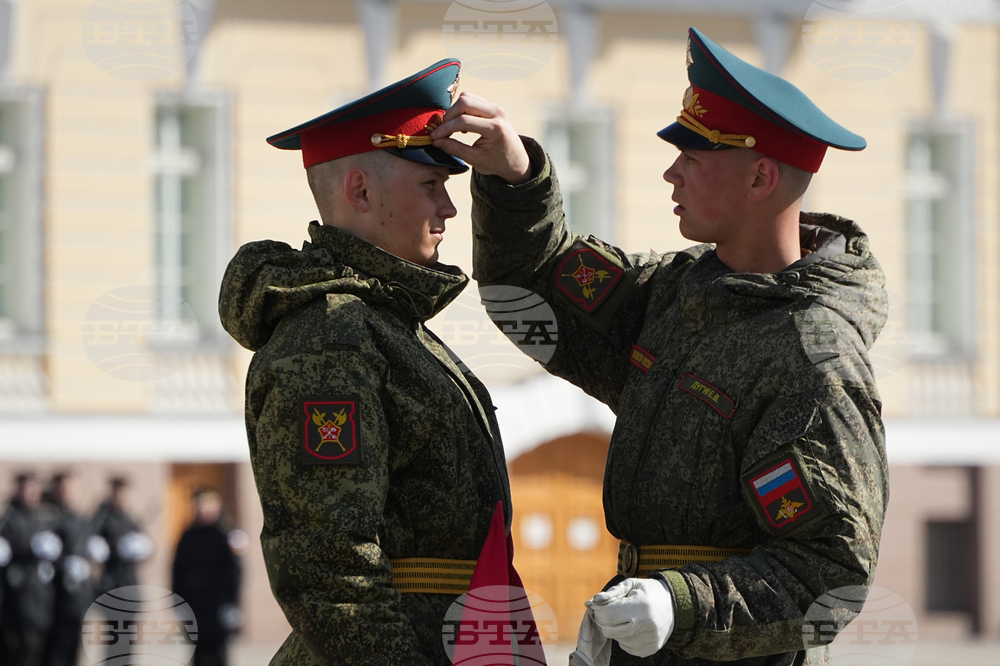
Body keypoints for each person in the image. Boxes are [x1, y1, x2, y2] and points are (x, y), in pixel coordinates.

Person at [430, 27, 889, 666]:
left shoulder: (813, 354)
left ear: (760, 177)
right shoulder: (673, 295)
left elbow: (829, 577)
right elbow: (530, 291)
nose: (670, 171)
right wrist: (515, 176)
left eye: (694, 158)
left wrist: (681, 605)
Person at [219, 60, 524, 666]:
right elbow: (330, 568)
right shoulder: (332, 339)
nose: (450, 209)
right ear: (360, 190)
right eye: (430, 185)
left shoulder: (386, 325)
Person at [171, 490, 242, 666]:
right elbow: (176, 570)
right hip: (195, 604)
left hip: (218, 603)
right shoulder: (188, 536)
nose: (203, 511)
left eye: (207, 507)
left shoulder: (225, 536)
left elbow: (236, 572)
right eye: (200, 507)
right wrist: (177, 600)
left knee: (219, 653)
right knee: (198, 653)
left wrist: (232, 603)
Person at [0, 472, 61, 666]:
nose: (32, 493)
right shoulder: (9, 517)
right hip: (16, 598)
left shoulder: (42, 517)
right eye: (27, 488)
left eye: (35, 488)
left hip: (41, 597)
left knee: (39, 650)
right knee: (20, 650)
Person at [42, 472, 96, 666]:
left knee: (74, 650)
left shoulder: (79, 518)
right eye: (63, 487)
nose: (67, 491)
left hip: (77, 597)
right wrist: (64, 564)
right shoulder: (47, 516)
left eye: (70, 487)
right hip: (55, 597)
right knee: (55, 652)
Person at [90, 476, 153, 596]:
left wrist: (143, 548)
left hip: (130, 581)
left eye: (123, 492)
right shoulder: (101, 518)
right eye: (117, 491)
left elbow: (148, 551)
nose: (120, 495)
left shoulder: (130, 520)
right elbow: (90, 540)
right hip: (110, 579)